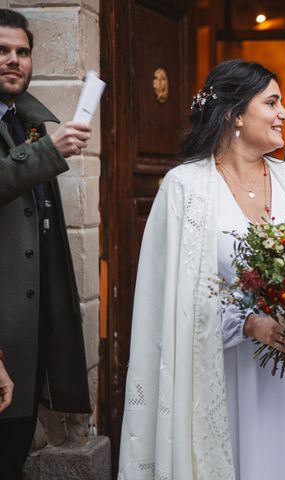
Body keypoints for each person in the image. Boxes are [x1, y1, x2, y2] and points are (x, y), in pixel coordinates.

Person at [118, 60, 285, 480]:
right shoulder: (184, 188)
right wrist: (248, 324)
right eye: (271, 102)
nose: (284, 113)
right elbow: (168, 298)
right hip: (217, 375)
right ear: (234, 114)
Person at [0, 8, 93, 480]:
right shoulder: (39, 139)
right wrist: (48, 151)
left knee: (13, 454)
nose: (14, 60)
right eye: (2, 50)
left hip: (28, 336)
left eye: (22, 52)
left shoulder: (25, 122)